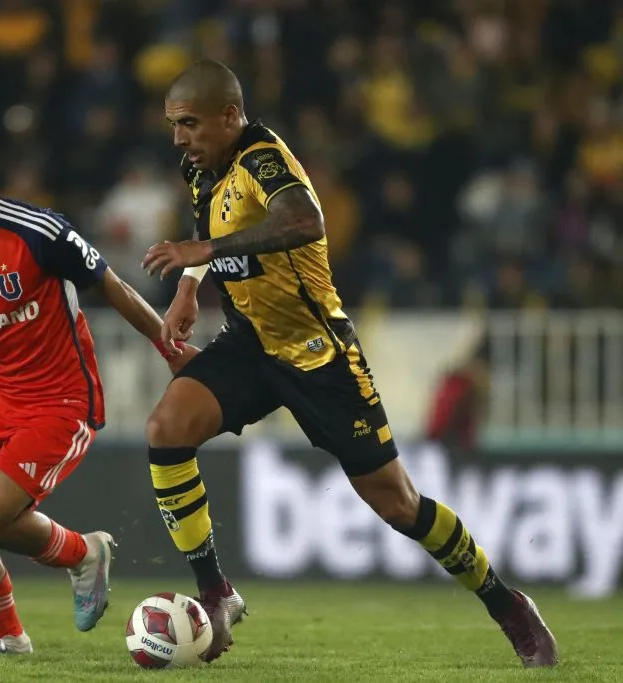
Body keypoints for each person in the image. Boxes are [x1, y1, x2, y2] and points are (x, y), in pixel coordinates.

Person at [141, 60, 559, 667]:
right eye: (173, 125)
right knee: (166, 431)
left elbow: (302, 221)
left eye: (189, 124)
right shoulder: (200, 164)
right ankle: (216, 593)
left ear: (231, 116)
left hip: (320, 352)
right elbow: (209, 224)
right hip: (251, 340)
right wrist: (188, 286)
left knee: (399, 506)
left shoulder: (264, 158)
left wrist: (202, 250)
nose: (179, 138)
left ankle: (507, 605)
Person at [0, 120, 188, 654]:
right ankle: (10, 640)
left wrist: (168, 347)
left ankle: (83, 553)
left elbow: (111, 286)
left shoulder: (38, 230)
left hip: (64, 398)